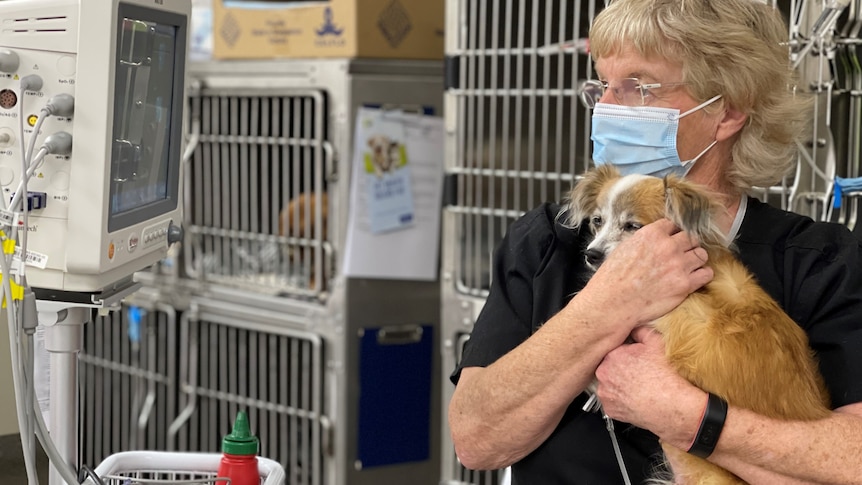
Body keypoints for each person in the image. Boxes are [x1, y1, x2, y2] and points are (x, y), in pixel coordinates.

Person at [447, 0, 862, 483]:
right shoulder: (547, 242)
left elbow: (851, 458)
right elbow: (476, 438)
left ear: (727, 111)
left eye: (639, 88)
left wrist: (685, 416)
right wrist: (609, 303)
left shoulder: (819, 262)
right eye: (603, 85)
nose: (607, 107)